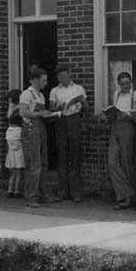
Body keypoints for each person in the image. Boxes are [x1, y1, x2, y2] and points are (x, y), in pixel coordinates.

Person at [106, 72, 136, 210]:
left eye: (127, 83)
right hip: (115, 126)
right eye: (122, 83)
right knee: (112, 161)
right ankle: (126, 192)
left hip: (128, 127)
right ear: (118, 84)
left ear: (131, 82)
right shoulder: (116, 94)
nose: (125, 86)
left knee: (126, 161)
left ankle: (129, 198)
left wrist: (128, 115)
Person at [49, 65, 88, 202]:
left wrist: (82, 101)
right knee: (62, 157)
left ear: (69, 75)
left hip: (74, 121)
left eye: (65, 76)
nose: (63, 79)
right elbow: (51, 110)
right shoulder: (54, 91)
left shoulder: (78, 88)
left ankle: (75, 192)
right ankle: (63, 191)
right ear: (58, 78)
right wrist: (58, 106)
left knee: (75, 157)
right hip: (61, 122)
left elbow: (86, 108)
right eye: (61, 77)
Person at [19, 67, 55, 208]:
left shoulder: (40, 95)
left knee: (43, 163)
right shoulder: (27, 94)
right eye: (44, 80)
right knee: (34, 165)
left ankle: (42, 193)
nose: (46, 83)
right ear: (35, 80)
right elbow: (23, 112)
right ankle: (31, 197)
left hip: (40, 128)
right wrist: (40, 114)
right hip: (31, 129)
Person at [5, 113, 26, 198]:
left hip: (10, 153)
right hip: (18, 153)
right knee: (18, 174)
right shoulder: (21, 130)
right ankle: (17, 191)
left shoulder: (8, 130)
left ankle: (9, 190)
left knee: (12, 173)